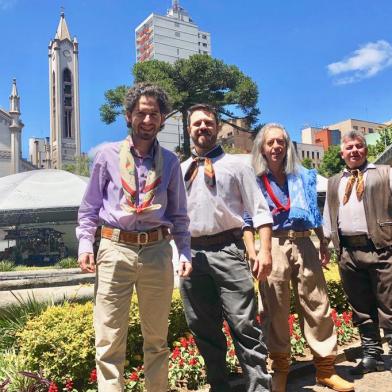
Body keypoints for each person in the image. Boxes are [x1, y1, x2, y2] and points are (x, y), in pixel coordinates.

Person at [76, 83, 192, 392]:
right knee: (110, 339)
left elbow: (179, 214)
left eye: (154, 114)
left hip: (156, 250)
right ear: (129, 116)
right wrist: (86, 243)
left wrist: (184, 252)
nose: (147, 120)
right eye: (141, 113)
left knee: (157, 339)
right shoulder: (106, 156)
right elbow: (89, 207)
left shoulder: (170, 162)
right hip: (115, 249)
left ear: (162, 119)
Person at [243, 123, 354, 392]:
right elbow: (247, 220)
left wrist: (323, 241)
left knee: (318, 305)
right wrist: (253, 252)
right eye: (270, 143)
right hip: (274, 245)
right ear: (262, 147)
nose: (276, 147)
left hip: (304, 242)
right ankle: (280, 369)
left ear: (287, 145)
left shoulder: (302, 176)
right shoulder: (255, 180)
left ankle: (325, 370)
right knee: (275, 309)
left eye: (280, 142)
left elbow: (314, 213)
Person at [180, 104, 273, 392]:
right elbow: (175, 219)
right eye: (197, 123)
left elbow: (259, 210)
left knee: (245, 325)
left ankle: (259, 388)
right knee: (204, 329)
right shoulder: (181, 170)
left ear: (218, 127)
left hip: (229, 250)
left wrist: (265, 250)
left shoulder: (239, 165)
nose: (203, 127)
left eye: (208, 122)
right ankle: (219, 386)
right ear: (188, 130)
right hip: (192, 256)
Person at [324, 130, 392, 375]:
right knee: (361, 307)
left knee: (389, 303)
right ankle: (371, 354)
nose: (354, 151)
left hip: (382, 249)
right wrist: (328, 246)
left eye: (358, 146)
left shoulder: (385, 174)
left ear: (365, 150)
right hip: (348, 253)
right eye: (349, 147)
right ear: (341, 153)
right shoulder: (334, 181)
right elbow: (328, 217)